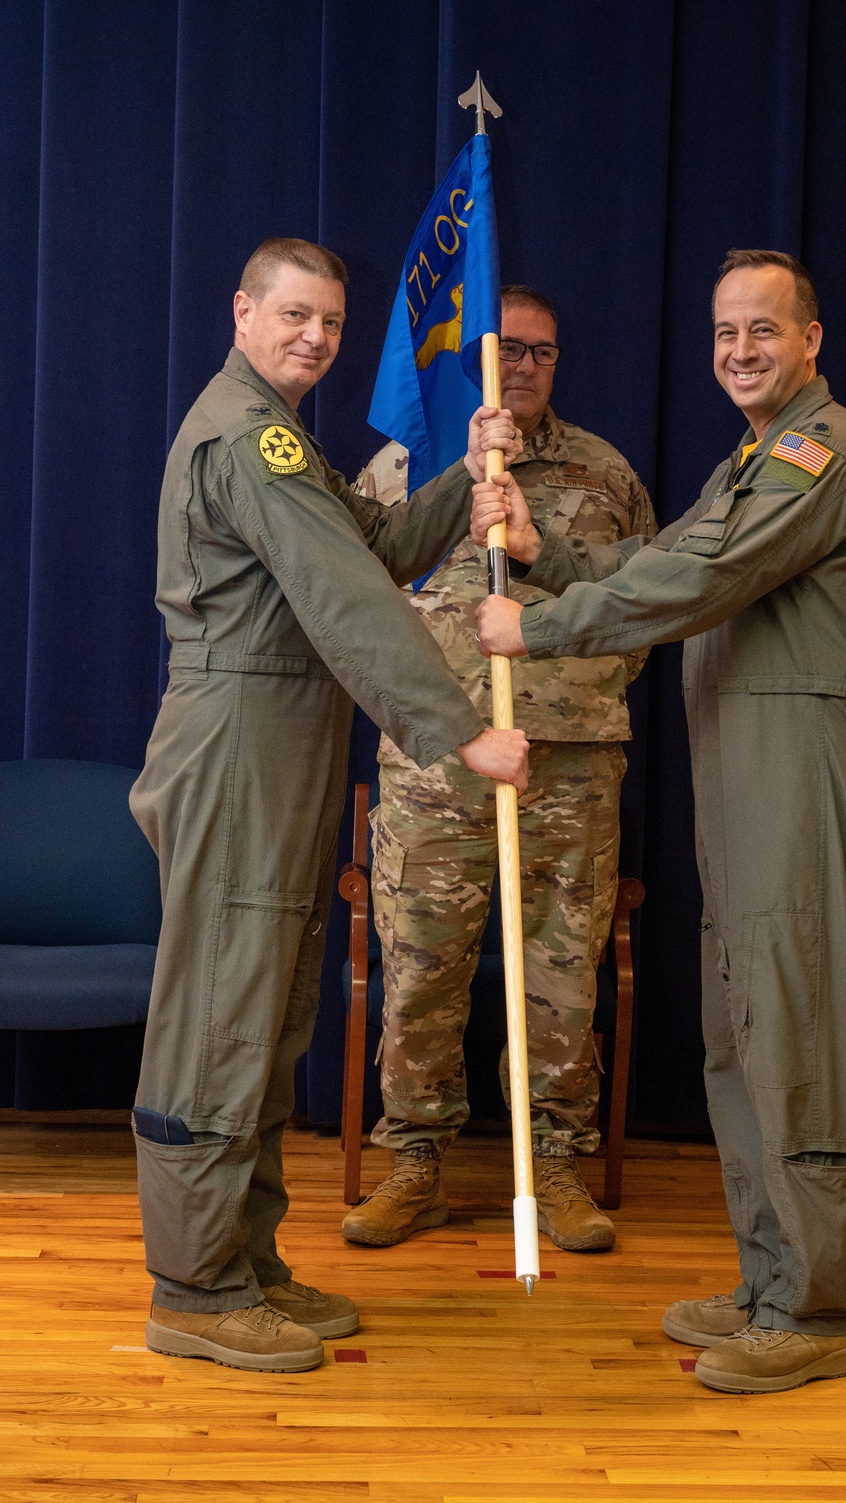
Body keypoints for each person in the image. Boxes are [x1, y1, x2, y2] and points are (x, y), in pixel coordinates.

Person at [473, 249, 846, 1393]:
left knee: (796, 1028)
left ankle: (814, 1313)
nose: (739, 351)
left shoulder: (822, 454)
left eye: (763, 329)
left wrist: (540, 627)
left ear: (811, 339)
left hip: (802, 760)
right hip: (747, 768)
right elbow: (665, 555)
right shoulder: (750, 460)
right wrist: (542, 554)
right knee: (741, 1031)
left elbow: (697, 588)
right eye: (723, 332)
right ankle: (771, 1281)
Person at [129, 237, 527, 1373]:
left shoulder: (285, 439)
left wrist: (463, 474)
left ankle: (242, 1260)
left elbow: (379, 545)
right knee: (224, 1010)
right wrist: (460, 732)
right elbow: (349, 598)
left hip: (285, 739)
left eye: (332, 324)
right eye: (294, 315)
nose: (315, 338)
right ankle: (194, 1287)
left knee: (270, 1004)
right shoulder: (245, 436)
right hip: (240, 738)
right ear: (244, 310)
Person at [340, 286, 656, 1254]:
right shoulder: (405, 464)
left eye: (538, 352)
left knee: (561, 977)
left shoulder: (602, 474)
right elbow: (352, 600)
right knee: (421, 968)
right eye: (503, 348)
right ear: (473, 355)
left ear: (557, 361)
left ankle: (554, 1158)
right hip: (438, 768)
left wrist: (570, 686)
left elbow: (644, 608)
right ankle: (417, 1159)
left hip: (566, 765)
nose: (519, 366)